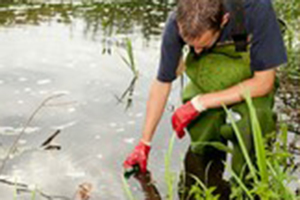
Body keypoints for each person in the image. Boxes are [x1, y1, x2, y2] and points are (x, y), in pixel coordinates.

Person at [123, 0, 287, 198]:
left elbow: (263, 83)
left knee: (254, 123)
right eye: (191, 46)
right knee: (203, 136)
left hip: (251, 74)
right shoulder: (177, 21)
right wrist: (144, 142)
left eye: (202, 44)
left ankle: (248, 188)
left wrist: (199, 103)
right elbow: (163, 82)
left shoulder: (255, 8)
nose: (197, 51)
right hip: (209, 74)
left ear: (224, 20)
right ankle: (205, 179)